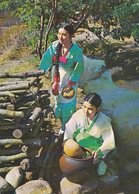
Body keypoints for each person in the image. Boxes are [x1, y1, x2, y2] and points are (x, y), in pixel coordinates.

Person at [39, 23, 84, 133]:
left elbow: (79, 68)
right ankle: (62, 122)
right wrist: (40, 72)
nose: (60, 37)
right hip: (57, 79)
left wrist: (70, 83)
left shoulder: (77, 51)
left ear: (70, 35)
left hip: (69, 81)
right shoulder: (54, 46)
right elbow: (46, 60)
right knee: (58, 105)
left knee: (68, 106)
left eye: (64, 34)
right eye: (59, 34)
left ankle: (67, 129)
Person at [64, 92, 117, 177]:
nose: (86, 111)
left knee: (100, 172)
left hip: (96, 145)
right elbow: (69, 128)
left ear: (98, 109)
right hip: (82, 142)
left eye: (90, 109)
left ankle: (102, 162)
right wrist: (67, 141)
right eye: (84, 107)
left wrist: (99, 152)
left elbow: (109, 141)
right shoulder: (79, 114)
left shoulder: (104, 121)